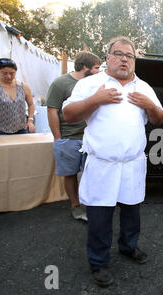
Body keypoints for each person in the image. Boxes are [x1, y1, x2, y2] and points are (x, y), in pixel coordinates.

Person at [62, 36, 163, 287]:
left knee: (132, 211)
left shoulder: (144, 87)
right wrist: (96, 99)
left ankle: (128, 247)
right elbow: (68, 114)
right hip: (102, 164)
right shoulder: (92, 83)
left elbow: (159, 118)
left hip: (132, 163)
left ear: (134, 61)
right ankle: (98, 261)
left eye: (129, 56)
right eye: (118, 54)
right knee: (99, 215)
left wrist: (149, 104)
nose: (123, 59)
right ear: (107, 57)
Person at [46, 51, 101, 222]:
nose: (99, 71)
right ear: (85, 67)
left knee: (92, 173)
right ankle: (75, 206)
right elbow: (52, 110)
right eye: (96, 68)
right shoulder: (60, 83)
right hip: (69, 138)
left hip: (90, 138)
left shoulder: (94, 84)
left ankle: (93, 205)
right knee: (70, 174)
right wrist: (58, 138)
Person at [0, 58, 36, 134]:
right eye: (4, 73)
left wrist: (30, 121)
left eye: (12, 73)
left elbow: (31, 104)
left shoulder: (23, 86)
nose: (8, 76)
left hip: (21, 128)